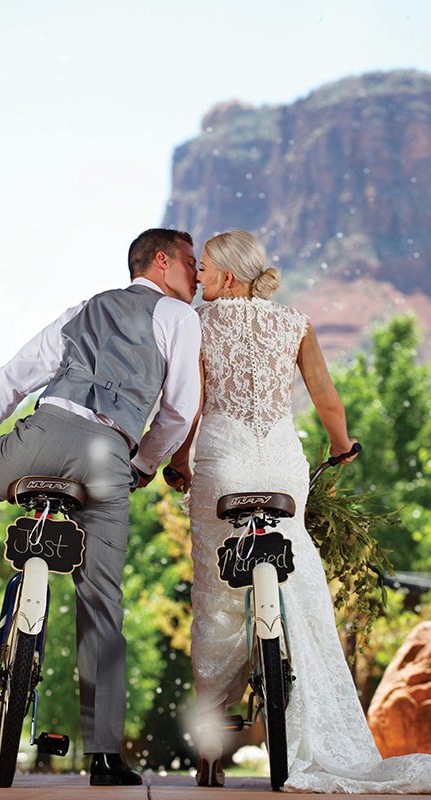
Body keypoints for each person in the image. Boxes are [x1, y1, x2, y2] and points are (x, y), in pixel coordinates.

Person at [166, 229, 431, 793]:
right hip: (282, 465)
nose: (200, 278)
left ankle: (211, 748)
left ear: (229, 277)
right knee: (301, 581)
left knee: (217, 599)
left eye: (206, 268)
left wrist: (179, 463)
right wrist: (341, 445)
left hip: (223, 464)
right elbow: (326, 399)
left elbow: (191, 409)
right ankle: (310, 716)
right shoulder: (297, 322)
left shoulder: (201, 325)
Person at [0, 228, 201, 786]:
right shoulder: (179, 318)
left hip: (44, 429)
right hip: (109, 452)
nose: (197, 275)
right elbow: (179, 409)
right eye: (191, 262)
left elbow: (19, 372)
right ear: (161, 261)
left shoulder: (81, 310)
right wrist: (146, 463)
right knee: (102, 601)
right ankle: (104, 758)